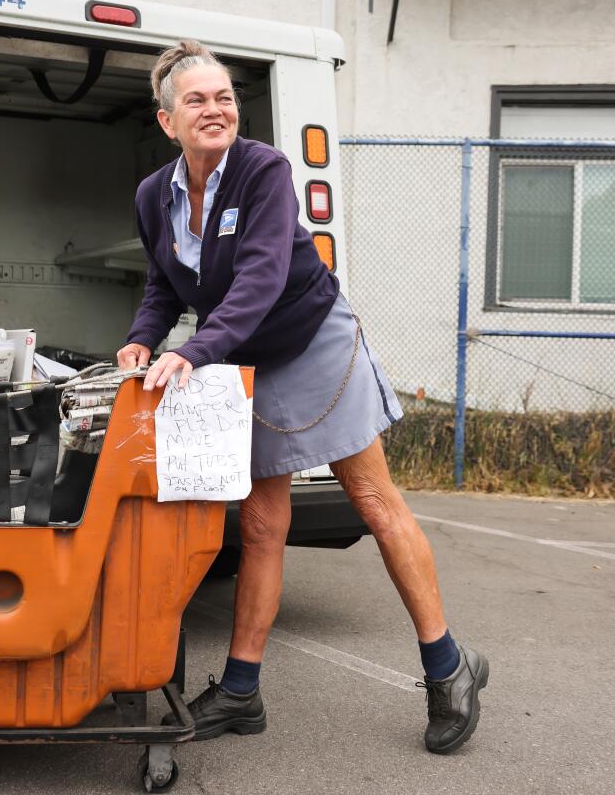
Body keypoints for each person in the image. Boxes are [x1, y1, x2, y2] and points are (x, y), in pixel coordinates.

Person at [117, 40, 489, 754]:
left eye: (224, 96)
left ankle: (449, 667)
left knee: (375, 503)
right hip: (244, 355)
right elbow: (165, 282)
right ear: (167, 122)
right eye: (196, 99)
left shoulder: (262, 169)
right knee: (260, 526)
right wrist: (143, 338)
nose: (215, 108)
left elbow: (258, 278)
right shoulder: (152, 196)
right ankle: (240, 691)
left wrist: (192, 351)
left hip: (310, 341)